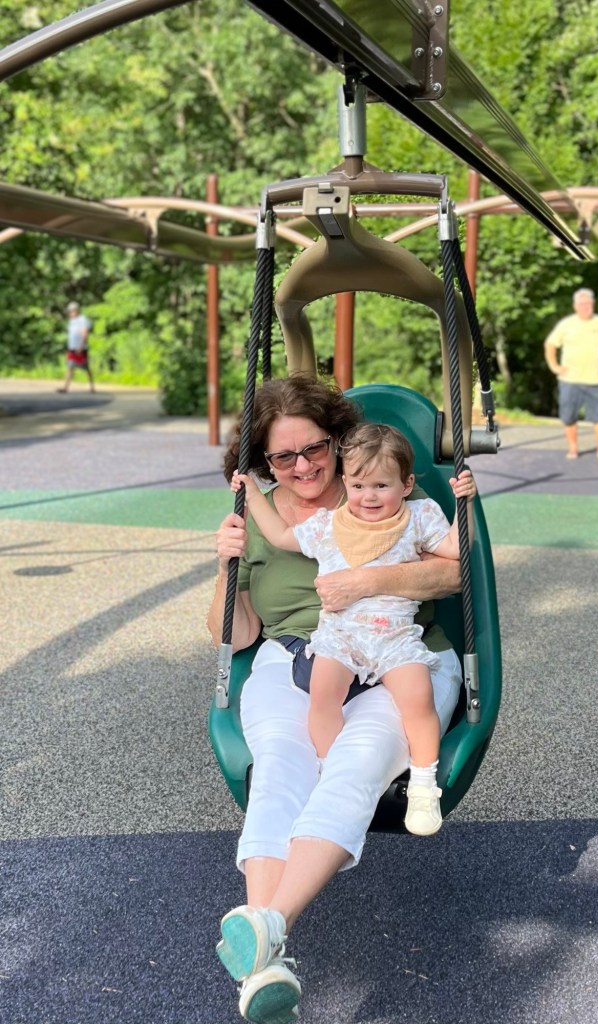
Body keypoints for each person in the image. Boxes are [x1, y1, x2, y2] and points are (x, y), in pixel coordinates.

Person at [206, 375, 463, 1024]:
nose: (303, 467)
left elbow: (455, 572)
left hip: (399, 655)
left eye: (315, 448)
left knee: (358, 758)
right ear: (263, 462)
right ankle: (267, 963)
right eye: (282, 457)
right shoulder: (256, 516)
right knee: (278, 770)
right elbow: (237, 633)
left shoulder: (373, 486)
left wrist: (366, 581)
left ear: (337, 440)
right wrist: (225, 566)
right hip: (295, 661)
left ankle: (268, 929)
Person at [231, 421, 476, 838]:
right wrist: (252, 494)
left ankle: (423, 784)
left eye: (382, 486)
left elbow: (454, 550)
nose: (370, 496)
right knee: (322, 699)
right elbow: (280, 535)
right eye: (359, 486)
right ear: (347, 483)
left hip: (394, 635)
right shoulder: (330, 524)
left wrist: (464, 504)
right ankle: (329, 771)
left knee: (418, 700)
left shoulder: (418, 517)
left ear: (406, 485)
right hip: (340, 637)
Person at [543, 287, 598, 460]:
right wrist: (554, 366)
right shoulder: (566, 324)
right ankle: (573, 448)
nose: (586, 307)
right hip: (570, 380)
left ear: (593, 304)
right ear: (575, 306)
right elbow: (550, 345)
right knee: (569, 416)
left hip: (595, 380)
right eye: (582, 304)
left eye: (588, 303)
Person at [57, 301, 95, 393]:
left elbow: (85, 333)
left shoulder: (83, 320)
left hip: (81, 348)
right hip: (72, 348)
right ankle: (65, 387)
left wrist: (81, 346)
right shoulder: (71, 321)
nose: (70, 313)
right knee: (70, 367)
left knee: (86, 368)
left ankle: (92, 387)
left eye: (72, 311)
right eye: (69, 311)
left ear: (76, 310)